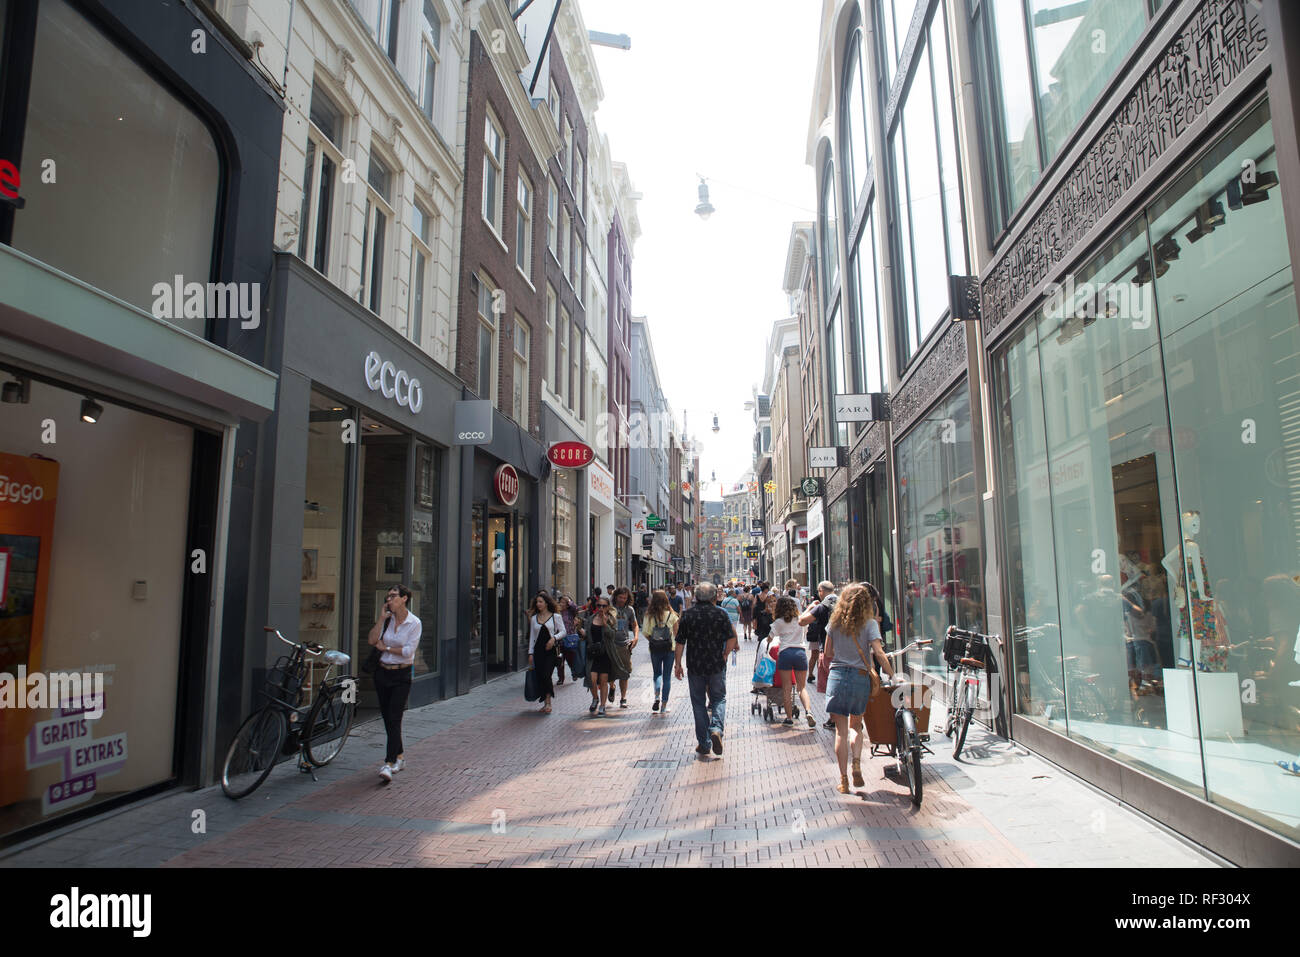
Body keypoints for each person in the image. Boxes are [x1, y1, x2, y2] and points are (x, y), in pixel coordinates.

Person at [823, 584, 882, 793]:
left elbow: (827, 652)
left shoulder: (834, 622)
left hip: (838, 675)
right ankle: (856, 762)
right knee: (856, 726)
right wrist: (893, 675)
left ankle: (843, 779)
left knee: (840, 731)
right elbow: (878, 652)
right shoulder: (870, 624)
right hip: (859, 677)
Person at [674, 582, 737, 757]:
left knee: (698, 703)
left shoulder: (688, 615)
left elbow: (680, 641)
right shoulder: (720, 613)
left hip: (695, 665)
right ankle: (716, 728)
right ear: (713, 596)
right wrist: (725, 654)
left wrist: (677, 664)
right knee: (719, 698)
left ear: (696, 596)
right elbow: (732, 638)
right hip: (716, 664)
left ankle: (704, 743)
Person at [367, 584, 422, 783]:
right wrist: (381, 618)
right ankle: (400, 757)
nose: (389, 599)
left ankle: (389, 763)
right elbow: (372, 640)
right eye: (388, 596)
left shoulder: (414, 623)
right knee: (387, 718)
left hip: (401, 675)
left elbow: (409, 652)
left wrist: (387, 647)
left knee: (394, 716)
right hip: (382, 673)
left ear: (404, 598)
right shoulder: (387, 620)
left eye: (393, 596)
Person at [772, 595, 816, 727]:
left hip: (785, 653)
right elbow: (806, 614)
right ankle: (808, 711)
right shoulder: (799, 619)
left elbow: (769, 638)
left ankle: (789, 718)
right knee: (801, 687)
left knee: (786, 688)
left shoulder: (778, 622)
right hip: (800, 653)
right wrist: (811, 606)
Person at [527, 592, 565, 714]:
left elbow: (563, 632)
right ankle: (545, 702)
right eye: (537, 602)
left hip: (550, 651)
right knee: (540, 677)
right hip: (538, 651)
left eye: (540, 602)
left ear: (546, 603)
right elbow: (532, 637)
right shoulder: (534, 618)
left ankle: (548, 702)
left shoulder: (556, 617)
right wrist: (530, 653)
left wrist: (554, 638)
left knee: (546, 675)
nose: (538, 604)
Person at [643, 589, 680, 713]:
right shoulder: (672, 615)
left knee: (657, 674)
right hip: (670, 648)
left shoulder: (649, 615)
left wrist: (653, 640)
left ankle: (657, 696)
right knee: (667, 677)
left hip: (655, 649)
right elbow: (676, 634)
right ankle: (663, 706)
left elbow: (645, 632)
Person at [608, 586, 639, 707]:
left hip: (624, 644)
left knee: (625, 672)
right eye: (620, 597)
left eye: (625, 598)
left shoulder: (630, 610)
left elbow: (635, 625)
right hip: (611, 644)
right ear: (616, 596)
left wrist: (636, 637)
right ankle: (611, 686)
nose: (622, 600)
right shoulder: (610, 609)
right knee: (610, 671)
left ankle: (623, 697)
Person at [585, 597, 616, 716]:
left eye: (604, 606)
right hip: (593, 654)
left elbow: (612, 635)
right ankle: (595, 698)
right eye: (599, 606)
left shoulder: (611, 619)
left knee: (603, 681)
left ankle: (602, 705)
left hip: (605, 654)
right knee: (591, 679)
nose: (601, 608)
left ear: (608, 607)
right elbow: (587, 635)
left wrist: (605, 624)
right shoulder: (590, 619)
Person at [556, 594, 581, 685]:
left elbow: (576, 608)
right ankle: (560, 678)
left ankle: (574, 673)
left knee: (570, 659)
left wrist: (569, 600)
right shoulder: (556, 612)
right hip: (558, 640)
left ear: (567, 604)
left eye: (564, 602)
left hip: (569, 639)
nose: (561, 604)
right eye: (560, 602)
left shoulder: (570, 612)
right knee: (559, 659)